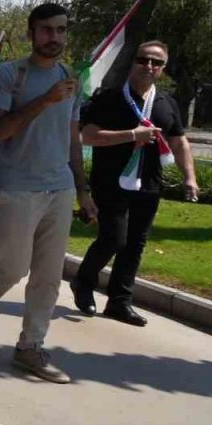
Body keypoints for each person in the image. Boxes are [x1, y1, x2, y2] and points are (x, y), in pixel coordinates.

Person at [0, 3, 92, 382]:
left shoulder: (71, 78)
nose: (55, 38)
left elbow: (73, 138)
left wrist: (83, 190)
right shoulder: (10, 75)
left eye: (61, 30)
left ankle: (30, 347)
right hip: (15, 185)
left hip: (59, 187)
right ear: (31, 33)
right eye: (47, 30)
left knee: (49, 275)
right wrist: (45, 100)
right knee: (13, 268)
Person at [73, 41, 199, 327]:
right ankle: (84, 282)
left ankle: (119, 302)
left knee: (134, 245)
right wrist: (132, 134)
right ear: (134, 62)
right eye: (143, 60)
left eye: (156, 63)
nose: (149, 67)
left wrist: (189, 177)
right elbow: (88, 136)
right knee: (114, 239)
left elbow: (179, 142)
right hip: (111, 182)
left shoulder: (166, 103)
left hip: (149, 185)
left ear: (163, 69)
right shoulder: (110, 98)